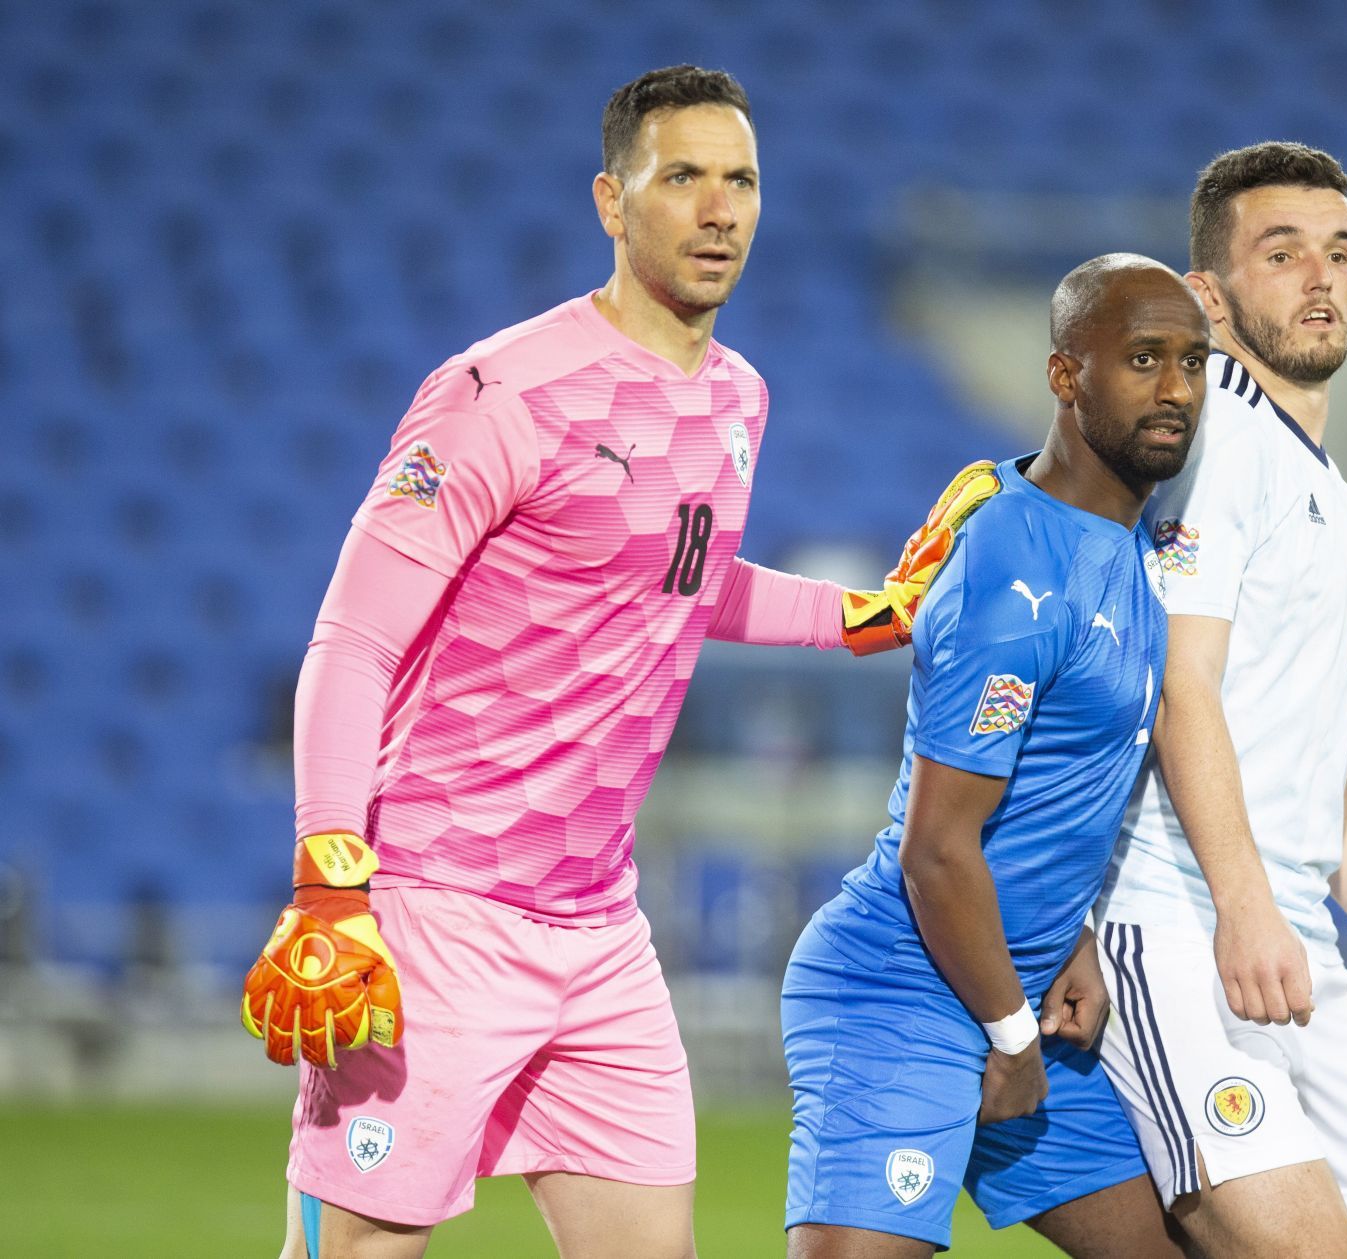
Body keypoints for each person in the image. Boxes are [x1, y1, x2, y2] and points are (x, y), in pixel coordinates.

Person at [238, 65, 971, 1259]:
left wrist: (858, 617)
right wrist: (331, 878)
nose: (718, 208)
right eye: (681, 177)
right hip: (439, 909)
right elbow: (353, 640)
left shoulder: (737, 396)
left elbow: (676, 578)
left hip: (599, 930)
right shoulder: (499, 392)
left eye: (740, 180)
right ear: (610, 202)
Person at [782, 254, 1211, 1259]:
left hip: (1023, 998)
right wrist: (1011, 1034)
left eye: (1191, 361)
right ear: (1065, 377)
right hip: (907, 989)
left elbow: (1054, 790)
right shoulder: (1016, 565)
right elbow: (938, 846)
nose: (1175, 388)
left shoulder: (1128, 547)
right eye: (1142, 357)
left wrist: (1071, 934)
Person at [1093, 142, 1347, 1259]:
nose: (1322, 276)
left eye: (1342, 252)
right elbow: (1183, 687)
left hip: (1300, 934)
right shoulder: (1217, 440)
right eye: (1283, 251)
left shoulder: (1332, 497)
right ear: (1209, 292)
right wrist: (1243, 904)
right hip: (1183, 916)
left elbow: (1310, 748)